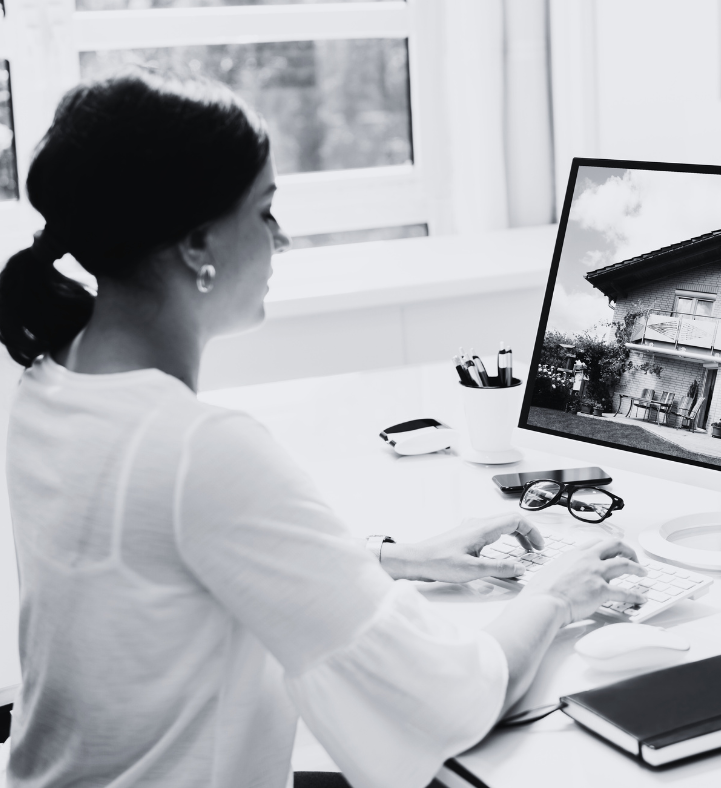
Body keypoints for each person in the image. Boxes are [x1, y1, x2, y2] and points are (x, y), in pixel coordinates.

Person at [0, 69, 646, 788]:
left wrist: (389, 560)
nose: (281, 240)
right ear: (196, 244)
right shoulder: (196, 449)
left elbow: (164, 582)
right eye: (265, 210)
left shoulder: (51, 382)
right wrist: (553, 594)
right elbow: (442, 701)